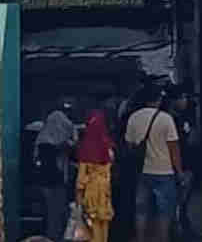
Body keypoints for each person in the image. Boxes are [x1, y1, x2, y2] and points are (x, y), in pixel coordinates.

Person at [124, 86, 181, 242]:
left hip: (142, 171)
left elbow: (129, 146)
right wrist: (179, 171)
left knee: (141, 210)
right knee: (164, 211)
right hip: (164, 172)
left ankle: (141, 239)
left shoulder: (133, 117)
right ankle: (163, 239)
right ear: (159, 99)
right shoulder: (165, 118)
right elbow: (173, 148)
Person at [35, 97, 79, 241]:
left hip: (45, 184)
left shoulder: (42, 140)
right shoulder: (59, 145)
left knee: (52, 214)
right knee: (56, 215)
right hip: (55, 184)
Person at [164, 84, 201, 240]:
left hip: (185, 165)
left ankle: (183, 230)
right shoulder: (169, 120)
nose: (186, 101)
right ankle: (175, 233)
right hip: (175, 167)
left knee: (182, 202)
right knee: (175, 203)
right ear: (174, 100)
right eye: (183, 97)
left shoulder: (182, 117)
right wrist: (179, 171)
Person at [76, 109, 117, 242]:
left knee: (90, 229)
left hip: (90, 193)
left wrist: (78, 201)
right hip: (105, 193)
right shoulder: (109, 148)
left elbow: (81, 180)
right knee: (103, 227)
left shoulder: (86, 148)